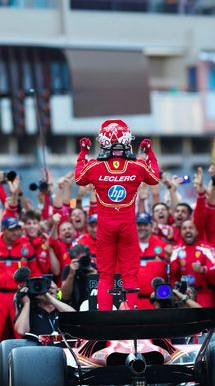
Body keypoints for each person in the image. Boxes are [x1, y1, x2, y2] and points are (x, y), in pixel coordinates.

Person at [74, 119, 160, 310]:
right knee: (129, 276)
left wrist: (83, 152)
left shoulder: (94, 166)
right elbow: (154, 178)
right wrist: (149, 154)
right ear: (127, 139)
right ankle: (131, 319)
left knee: (105, 276)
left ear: (103, 141)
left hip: (105, 229)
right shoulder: (137, 166)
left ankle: (106, 320)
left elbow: (79, 178)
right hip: (128, 228)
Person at [0, 216, 41, 341]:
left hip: (19, 294)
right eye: (12, 229)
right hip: (0, 295)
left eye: (18, 229)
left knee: (21, 333)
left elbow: (34, 272)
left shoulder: (26, 246)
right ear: (4, 230)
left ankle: (22, 358)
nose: (16, 232)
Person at [61, 244, 97, 311]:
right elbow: (64, 296)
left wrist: (94, 276)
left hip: (93, 308)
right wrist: (71, 274)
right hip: (75, 310)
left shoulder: (93, 267)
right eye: (79, 259)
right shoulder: (68, 269)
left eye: (84, 259)